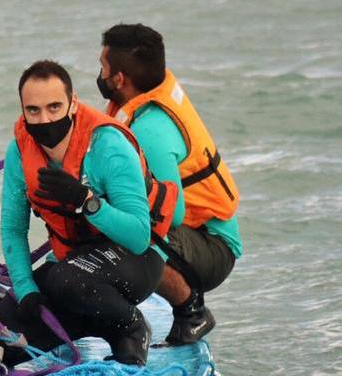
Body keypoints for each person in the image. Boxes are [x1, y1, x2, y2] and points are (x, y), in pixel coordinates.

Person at [0, 60, 177, 367]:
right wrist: (26, 289)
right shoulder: (19, 151)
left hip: (137, 258)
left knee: (66, 280)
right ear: (23, 111)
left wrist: (86, 200)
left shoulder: (108, 146)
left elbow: (138, 235)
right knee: (4, 328)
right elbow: (13, 228)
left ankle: (131, 327)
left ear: (73, 103)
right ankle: (96, 325)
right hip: (75, 261)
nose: (45, 119)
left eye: (55, 107)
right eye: (34, 110)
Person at [96, 24, 242, 344]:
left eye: (103, 68)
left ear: (120, 79)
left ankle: (192, 312)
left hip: (213, 247)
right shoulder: (141, 100)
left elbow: (171, 214)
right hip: (195, 237)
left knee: (128, 231)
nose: (100, 74)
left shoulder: (151, 127)